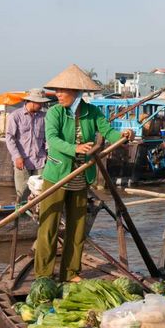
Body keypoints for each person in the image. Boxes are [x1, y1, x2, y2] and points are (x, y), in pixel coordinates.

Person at [35, 64, 134, 282]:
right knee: (48, 227)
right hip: (57, 176)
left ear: (76, 92)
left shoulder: (92, 112)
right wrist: (75, 149)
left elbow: (108, 132)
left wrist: (124, 136)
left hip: (81, 175)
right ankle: (43, 274)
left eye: (63, 91)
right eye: (57, 91)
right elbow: (52, 140)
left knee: (77, 227)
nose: (58, 95)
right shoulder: (55, 112)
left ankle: (70, 272)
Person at [5, 88, 50, 202]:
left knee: (42, 192)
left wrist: (48, 154)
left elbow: (47, 138)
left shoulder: (44, 117)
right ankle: (22, 217)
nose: (41, 105)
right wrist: (17, 156)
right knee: (22, 193)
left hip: (40, 161)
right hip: (22, 161)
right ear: (32, 101)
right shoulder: (15, 116)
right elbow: (10, 138)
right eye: (40, 103)